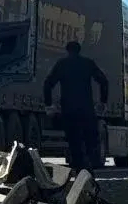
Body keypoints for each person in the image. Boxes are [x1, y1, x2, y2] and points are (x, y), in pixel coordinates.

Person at [43, 40, 110, 173]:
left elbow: (48, 84)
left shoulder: (62, 64)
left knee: (73, 139)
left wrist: (48, 104)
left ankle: (77, 165)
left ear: (67, 50)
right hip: (86, 108)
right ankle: (90, 165)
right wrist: (103, 101)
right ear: (79, 50)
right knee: (90, 137)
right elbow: (103, 81)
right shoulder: (88, 63)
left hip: (69, 108)